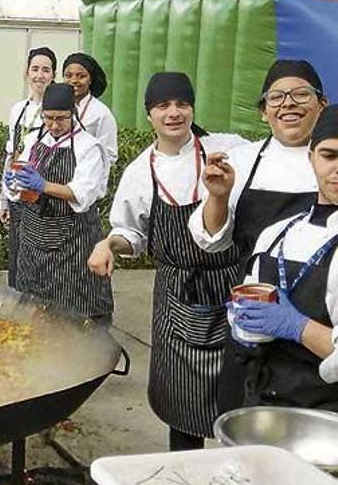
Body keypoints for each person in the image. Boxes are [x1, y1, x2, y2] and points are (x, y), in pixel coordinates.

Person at [88, 72, 247, 450]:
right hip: (176, 293)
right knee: (181, 400)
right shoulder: (141, 172)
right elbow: (131, 234)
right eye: (163, 106)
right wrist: (109, 244)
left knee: (236, 400)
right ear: (150, 115)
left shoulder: (228, 150)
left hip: (231, 288)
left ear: (192, 108)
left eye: (182, 104)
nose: (173, 113)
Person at [189, 59, 326, 412]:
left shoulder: (331, 164)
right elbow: (212, 238)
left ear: (321, 105)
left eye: (301, 95)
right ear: (264, 112)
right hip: (253, 316)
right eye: (276, 97)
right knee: (244, 426)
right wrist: (218, 195)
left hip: (320, 329)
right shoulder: (243, 160)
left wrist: (296, 324)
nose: (288, 104)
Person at [230, 104, 338, 410]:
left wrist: (297, 326)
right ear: (311, 158)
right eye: (329, 155)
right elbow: (250, 296)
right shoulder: (276, 234)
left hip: (326, 419)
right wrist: (243, 322)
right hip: (263, 405)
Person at [7, 83, 112, 324]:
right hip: (33, 239)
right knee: (34, 311)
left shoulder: (88, 147)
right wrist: (13, 182)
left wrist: (43, 186)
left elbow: (82, 193)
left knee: (71, 313)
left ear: (73, 113)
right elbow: (20, 181)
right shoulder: (34, 139)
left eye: (61, 119)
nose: (54, 125)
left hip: (72, 241)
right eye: (48, 118)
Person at [0, 46, 56, 287]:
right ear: (26, 72)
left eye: (46, 70)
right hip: (17, 192)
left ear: (54, 75)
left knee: (36, 259)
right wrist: (3, 196)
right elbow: (11, 153)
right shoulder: (18, 109)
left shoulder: (57, 111)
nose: (39, 75)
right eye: (35, 69)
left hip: (40, 193)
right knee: (16, 254)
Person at [62, 53, 118, 164]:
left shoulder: (101, 113)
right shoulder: (56, 107)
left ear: (90, 79)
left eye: (81, 76)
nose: (74, 80)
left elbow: (111, 155)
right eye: (69, 75)